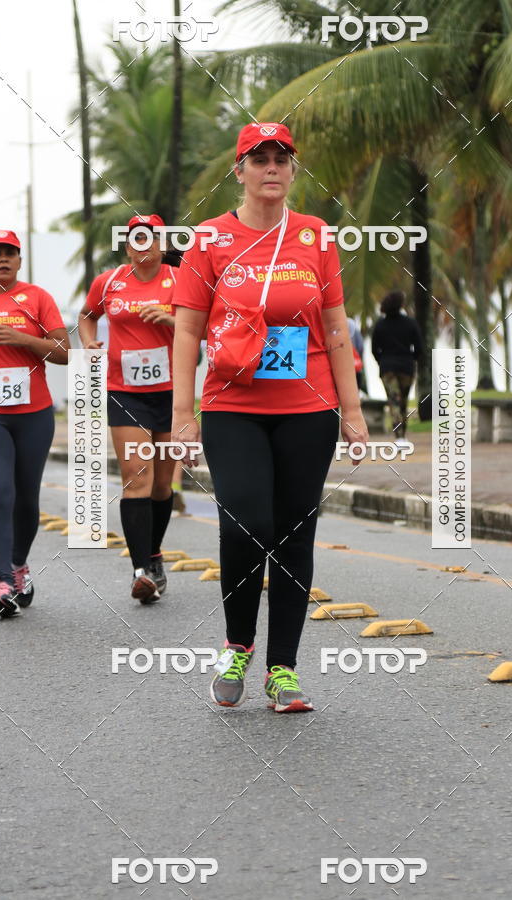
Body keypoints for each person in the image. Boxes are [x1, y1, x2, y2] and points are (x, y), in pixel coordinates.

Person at [171, 122, 368, 713]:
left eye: (282, 158)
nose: (272, 168)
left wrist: (353, 413)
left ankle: (283, 669)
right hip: (234, 407)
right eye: (259, 159)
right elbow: (185, 331)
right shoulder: (209, 240)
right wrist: (184, 416)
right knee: (246, 522)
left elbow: (335, 328)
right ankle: (238, 644)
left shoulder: (315, 236)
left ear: (292, 168)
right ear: (240, 170)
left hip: (309, 409)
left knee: (293, 533)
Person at [0, 230, 69, 617]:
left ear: (20, 259)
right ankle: (2, 582)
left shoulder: (37, 298)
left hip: (33, 412)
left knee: (26, 497)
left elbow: (64, 352)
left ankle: (18, 565)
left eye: (10, 252)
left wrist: (23, 340)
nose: (3, 259)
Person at [79, 214, 178, 602]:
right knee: (137, 476)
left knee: (162, 484)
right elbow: (88, 316)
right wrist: (89, 342)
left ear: (162, 244)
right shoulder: (109, 282)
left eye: (151, 238)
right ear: (127, 246)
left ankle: (153, 554)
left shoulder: (180, 280)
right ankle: (140, 570)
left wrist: (172, 318)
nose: (144, 245)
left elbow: (205, 325)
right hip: (126, 391)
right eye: (136, 239)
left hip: (171, 391)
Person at [371, 290, 423, 445]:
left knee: (393, 401)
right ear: (401, 304)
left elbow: (374, 349)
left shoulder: (380, 325)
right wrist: (411, 359)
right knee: (403, 402)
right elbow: (419, 347)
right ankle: (402, 435)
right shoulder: (410, 323)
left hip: (387, 368)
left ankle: (399, 436)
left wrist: (382, 361)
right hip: (406, 367)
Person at [347, 316, 367, 394]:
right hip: (355, 367)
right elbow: (361, 346)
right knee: (355, 393)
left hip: (339, 369)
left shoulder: (333, 323)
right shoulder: (352, 324)